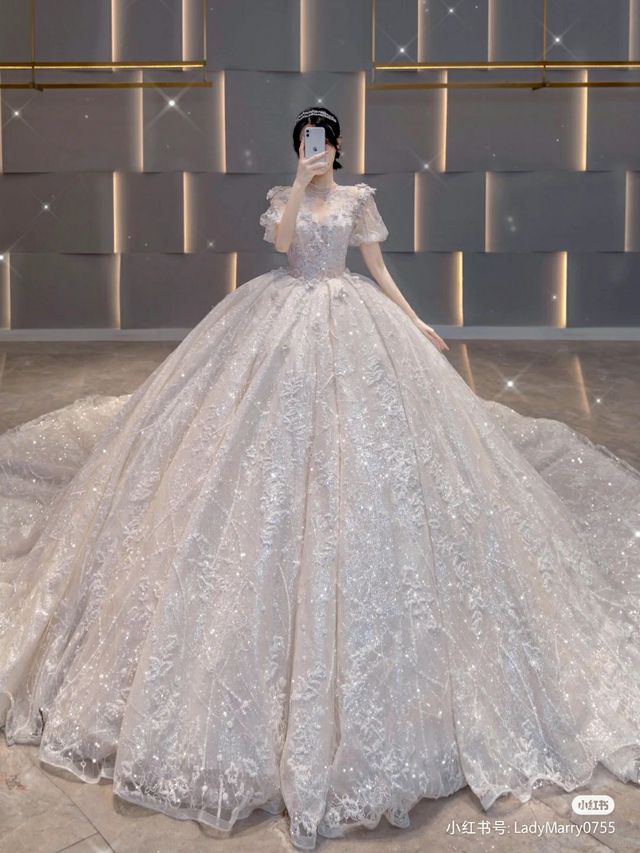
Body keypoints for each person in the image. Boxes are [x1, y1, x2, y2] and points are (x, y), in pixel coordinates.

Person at [0, 105, 639, 851]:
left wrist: (416, 322)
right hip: (280, 319)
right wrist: (299, 187)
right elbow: (278, 246)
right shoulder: (287, 197)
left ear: (337, 145)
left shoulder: (359, 201)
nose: (316, 149)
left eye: (323, 142)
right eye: (307, 142)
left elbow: (376, 268)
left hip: (350, 319)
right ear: (300, 148)